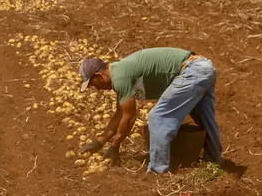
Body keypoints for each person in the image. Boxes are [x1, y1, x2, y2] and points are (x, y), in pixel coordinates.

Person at [78, 47, 222, 174]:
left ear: (99, 75)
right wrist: (99, 142)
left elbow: (129, 117)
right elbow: (120, 114)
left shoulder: (120, 77)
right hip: (203, 67)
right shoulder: (120, 72)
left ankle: (158, 171)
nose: (96, 88)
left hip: (191, 71)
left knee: (157, 117)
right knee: (204, 118)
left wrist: (115, 147)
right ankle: (214, 161)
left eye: (93, 84)